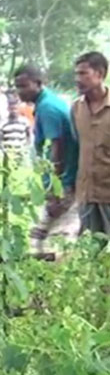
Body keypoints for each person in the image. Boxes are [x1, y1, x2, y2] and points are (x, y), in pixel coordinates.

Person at [14, 64, 80, 253]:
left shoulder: (48, 108)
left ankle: (54, 275)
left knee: (52, 238)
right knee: (47, 235)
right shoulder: (48, 103)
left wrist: (55, 186)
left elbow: (56, 146)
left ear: (38, 83)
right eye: (17, 86)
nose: (20, 92)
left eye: (24, 86)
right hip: (65, 180)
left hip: (63, 182)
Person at [71, 51, 110, 237]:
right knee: (91, 252)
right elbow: (76, 147)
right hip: (87, 194)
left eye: (83, 74)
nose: (77, 79)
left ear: (100, 74)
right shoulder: (77, 108)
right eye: (76, 74)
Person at [0, 95, 33, 166]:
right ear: (8, 109)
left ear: (18, 109)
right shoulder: (2, 124)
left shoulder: (25, 122)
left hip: (21, 153)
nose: (14, 111)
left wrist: (25, 148)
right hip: (8, 154)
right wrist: (4, 151)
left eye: (15, 109)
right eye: (11, 109)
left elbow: (28, 136)